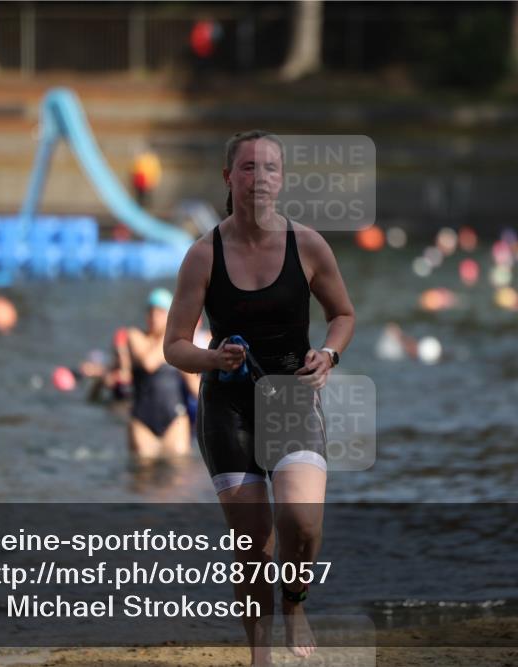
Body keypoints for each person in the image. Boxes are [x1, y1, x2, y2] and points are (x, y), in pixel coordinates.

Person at [163, 130, 355, 665]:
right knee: (254, 544)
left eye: (270, 168)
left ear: (282, 179)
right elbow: (173, 346)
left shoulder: (309, 245)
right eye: (248, 168)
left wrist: (329, 355)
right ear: (229, 178)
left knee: (303, 521)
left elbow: (344, 315)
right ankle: (260, 655)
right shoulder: (203, 255)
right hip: (229, 408)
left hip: (293, 398)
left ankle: (295, 602)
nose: (259, 178)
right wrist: (213, 358)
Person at [125, 288, 200, 461]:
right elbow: (148, 363)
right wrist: (173, 335)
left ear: (169, 314)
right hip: (142, 420)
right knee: (143, 473)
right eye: (150, 312)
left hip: (174, 419)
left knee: (178, 472)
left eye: (160, 312)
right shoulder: (135, 336)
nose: (154, 317)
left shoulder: (177, 343)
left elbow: (191, 381)